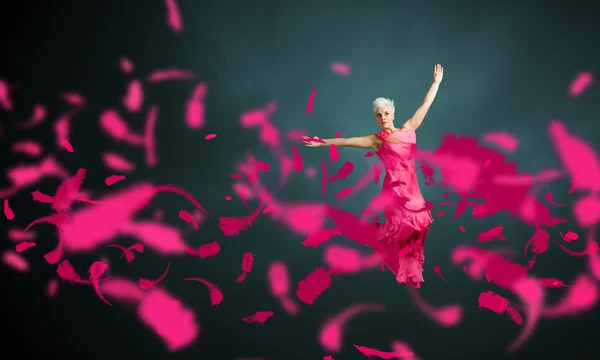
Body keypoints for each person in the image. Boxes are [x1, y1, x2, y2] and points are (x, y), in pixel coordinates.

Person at [302, 64, 444, 287]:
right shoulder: (376, 140)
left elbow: (425, 105)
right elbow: (347, 141)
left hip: (412, 189)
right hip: (394, 191)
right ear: (376, 119)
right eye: (379, 115)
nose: (383, 117)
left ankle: (408, 265)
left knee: (420, 224)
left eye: (386, 113)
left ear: (393, 114)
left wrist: (436, 82)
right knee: (400, 229)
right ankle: (395, 254)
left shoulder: (408, 129)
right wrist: (322, 142)